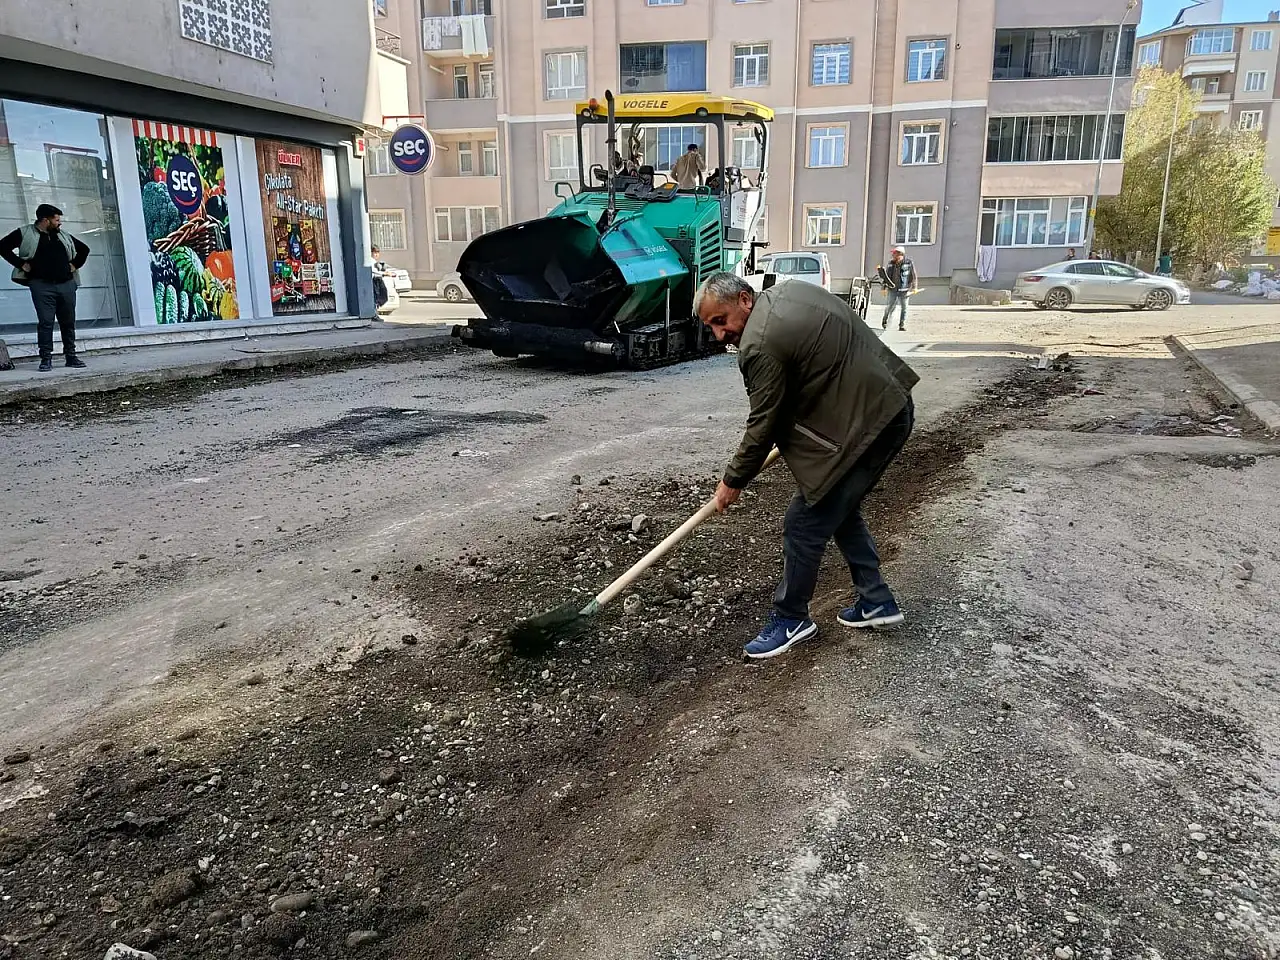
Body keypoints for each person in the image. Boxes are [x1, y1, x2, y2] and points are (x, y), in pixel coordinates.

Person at [695, 273, 920, 660]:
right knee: (838, 507)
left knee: (804, 522)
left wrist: (733, 480)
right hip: (889, 404)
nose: (720, 335)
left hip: (866, 426)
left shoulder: (759, 344)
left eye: (722, 320)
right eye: (711, 326)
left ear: (745, 299)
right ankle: (876, 600)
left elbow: (763, 423)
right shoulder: (792, 292)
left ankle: (791, 617)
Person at [1, 203, 90, 371]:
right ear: (45, 220)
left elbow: (84, 249)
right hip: (41, 285)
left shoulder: (62, 235)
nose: (59, 223)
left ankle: (71, 356)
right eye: (56, 220)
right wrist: (21, 264)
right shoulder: (24, 233)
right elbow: (2, 246)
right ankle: (46, 359)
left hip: (66, 284)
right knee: (46, 322)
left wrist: (75, 265)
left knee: (68, 322)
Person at [882, 246, 914, 332]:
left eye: (895, 253)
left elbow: (913, 275)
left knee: (904, 308)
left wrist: (914, 287)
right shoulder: (891, 263)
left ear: (900, 254)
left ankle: (901, 325)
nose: (893, 255)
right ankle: (885, 321)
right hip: (893, 289)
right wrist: (884, 287)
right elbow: (886, 276)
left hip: (904, 290)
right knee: (890, 306)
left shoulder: (908, 263)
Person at [370, 244, 388, 308]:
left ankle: (376, 306)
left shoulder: (375, 261)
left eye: (378, 252)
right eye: (374, 252)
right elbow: (373, 270)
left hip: (377, 280)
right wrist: (384, 273)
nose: (376, 254)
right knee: (378, 296)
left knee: (382, 296)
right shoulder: (370, 261)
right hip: (374, 281)